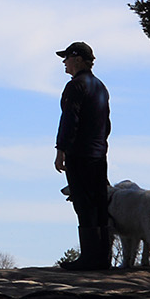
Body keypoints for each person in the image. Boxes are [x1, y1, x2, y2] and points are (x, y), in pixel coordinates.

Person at [54, 41, 112, 270]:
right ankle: (103, 258)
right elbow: (106, 123)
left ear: (77, 59)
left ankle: (89, 259)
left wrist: (61, 150)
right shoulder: (100, 86)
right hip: (99, 153)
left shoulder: (75, 86)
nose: (64, 63)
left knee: (83, 204)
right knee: (99, 204)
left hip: (80, 153)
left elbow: (70, 120)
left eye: (66, 58)